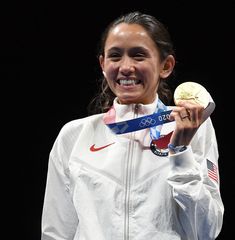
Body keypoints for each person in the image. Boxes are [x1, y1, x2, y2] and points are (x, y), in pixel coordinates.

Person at [41, 11, 224, 240]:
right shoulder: (74, 135)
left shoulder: (192, 127)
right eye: (115, 56)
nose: (125, 67)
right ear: (102, 64)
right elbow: (56, 232)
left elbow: (207, 230)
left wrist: (180, 152)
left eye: (138, 56)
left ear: (165, 66)